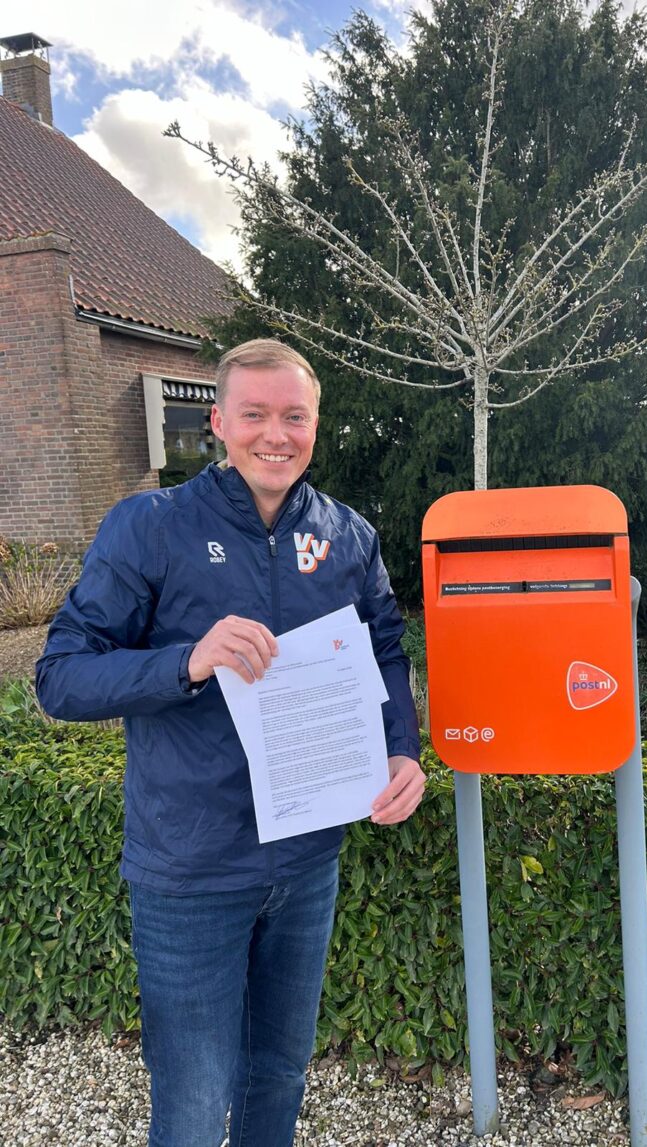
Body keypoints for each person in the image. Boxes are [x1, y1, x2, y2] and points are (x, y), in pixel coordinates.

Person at [36, 339, 425, 1147]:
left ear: (316, 423)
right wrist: (187, 661)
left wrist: (401, 749)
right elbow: (61, 677)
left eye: (294, 416)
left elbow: (385, 648)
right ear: (217, 421)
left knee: (278, 1074)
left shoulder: (348, 535)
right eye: (255, 414)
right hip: (191, 869)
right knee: (193, 1099)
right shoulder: (151, 526)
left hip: (307, 862)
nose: (275, 434)